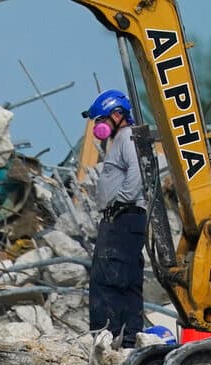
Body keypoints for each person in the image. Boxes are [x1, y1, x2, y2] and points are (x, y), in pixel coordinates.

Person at [82, 89, 146, 348]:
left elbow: (138, 172)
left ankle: (104, 339)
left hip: (123, 216)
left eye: (102, 120)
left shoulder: (127, 137)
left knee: (106, 277)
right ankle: (130, 340)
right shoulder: (121, 139)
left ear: (118, 114)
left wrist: (121, 199)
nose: (98, 126)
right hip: (128, 218)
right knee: (128, 279)